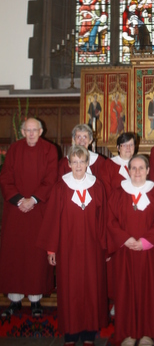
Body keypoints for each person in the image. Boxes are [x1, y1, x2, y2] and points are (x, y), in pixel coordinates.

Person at [37, 144, 108, 345]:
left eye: (82, 161)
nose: (78, 165)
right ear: (68, 164)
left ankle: (88, 333)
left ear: (88, 163)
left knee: (91, 289)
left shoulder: (97, 186)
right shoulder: (61, 187)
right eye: (74, 162)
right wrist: (52, 249)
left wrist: (105, 246)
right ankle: (71, 332)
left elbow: (103, 218)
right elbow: (52, 219)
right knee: (70, 289)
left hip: (93, 248)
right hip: (67, 248)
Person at [107, 154, 154, 346]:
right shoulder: (118, 193)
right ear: (128, 170)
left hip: (148, 252)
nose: (138, 172)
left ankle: (147, 334)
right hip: (125, 251)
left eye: (141, 168)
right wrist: (125, 239)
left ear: (148, 170)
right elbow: (110, 220)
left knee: (150, 292)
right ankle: (128, 333)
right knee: (125, 292)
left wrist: (146, 241)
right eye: (133, 168)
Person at [0, 118, 58, 318]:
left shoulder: (49, 150)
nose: (31, 133)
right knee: (15, 255)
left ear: (41, 131)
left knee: (36, 257)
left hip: (38, 210)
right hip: (16, 211)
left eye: (35, 130)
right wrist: (19, 200)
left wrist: (32, 199)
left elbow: (51, 178)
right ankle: (14, 300)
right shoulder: (14, 149)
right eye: (28, 130)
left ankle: (35, 300)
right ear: (23, 132)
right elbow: (5, 177)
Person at [100, 132, 138, 316]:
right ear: (118, 148)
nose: (128, 148)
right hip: (116, 219)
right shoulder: (109, 165)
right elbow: (106, 193)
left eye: (131, 145)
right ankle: (118, 301)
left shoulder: (139, 164)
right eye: (124, 145)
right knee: (117, 264)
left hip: (137, 218)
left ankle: (136, 299)